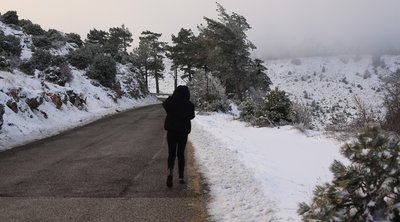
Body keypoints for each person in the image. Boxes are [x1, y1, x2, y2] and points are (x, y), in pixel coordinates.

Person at [162, 85, 195, 188]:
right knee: (181, 153)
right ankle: (181, 176)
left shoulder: (171, 102)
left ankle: (170, 172)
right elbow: (192, 116)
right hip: (183, 132)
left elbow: (165, 105)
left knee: (171, 153)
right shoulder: (189, 104)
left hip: (171, 131)